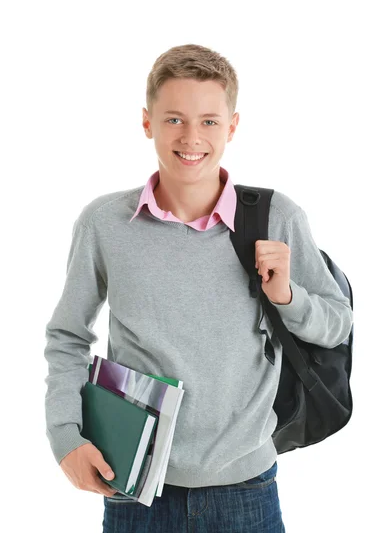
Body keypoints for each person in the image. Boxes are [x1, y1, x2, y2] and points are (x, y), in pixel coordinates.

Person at [44, 43, 353, 533]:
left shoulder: (277, 217)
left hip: (246, 489)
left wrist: (287, 297)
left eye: (209, 121)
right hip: (134, 485)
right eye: (174, 120)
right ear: (147, 122)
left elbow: (337, 324)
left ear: (232, 126)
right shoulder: (104, 223)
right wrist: (65, 436)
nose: (191, 137)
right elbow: (67, 336)